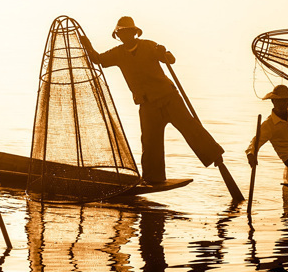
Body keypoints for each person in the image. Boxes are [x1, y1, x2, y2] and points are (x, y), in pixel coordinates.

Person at [80, 16, 225, 185]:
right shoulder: (118, 53)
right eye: (122, 33)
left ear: (135, 33)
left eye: (129, 32)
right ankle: (153, 177)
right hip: (147, 105)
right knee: (150, 141)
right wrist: (87, 45)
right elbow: (99, 60)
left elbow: (170, 60)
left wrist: (164, 52)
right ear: (118, 35)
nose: (125, 36)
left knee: (189, 127)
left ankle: (214, 154)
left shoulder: (148, 46)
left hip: (169, 99)